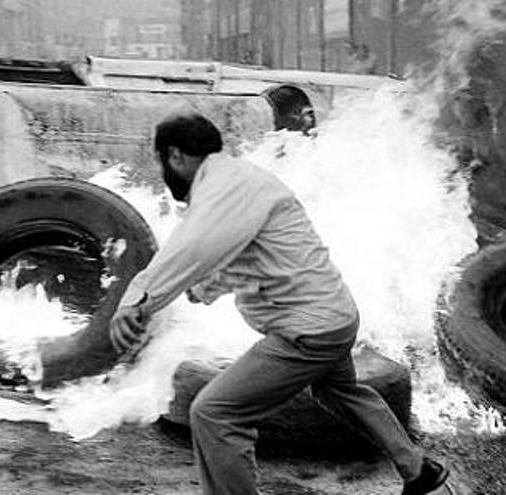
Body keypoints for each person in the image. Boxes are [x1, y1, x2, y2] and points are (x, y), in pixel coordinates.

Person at [109, 112, 449, 495]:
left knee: (215, 413)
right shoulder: (239, 181)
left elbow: (194, 247)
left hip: (307, 331)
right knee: (340, 391)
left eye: (160, 162)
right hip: (332, 316)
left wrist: (140, 300)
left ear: (175, 156)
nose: (162, 172)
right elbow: (243, 257)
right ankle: (417, 468)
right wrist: (202, 289)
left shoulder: (225, 188)